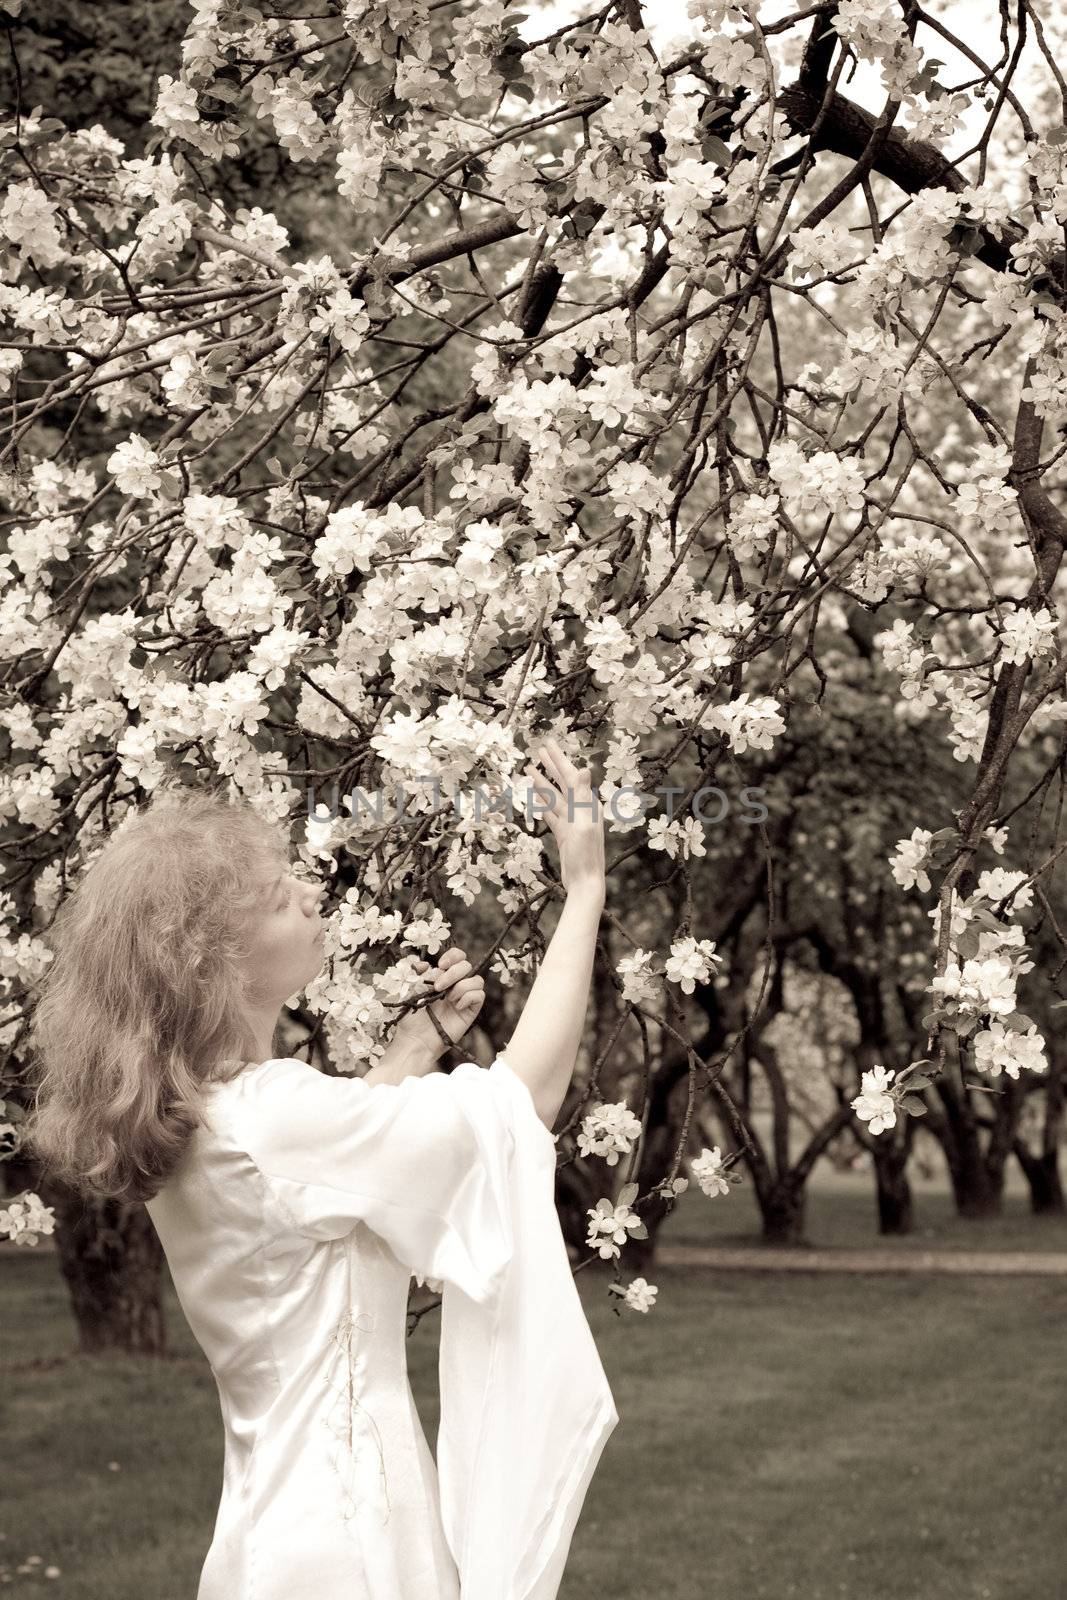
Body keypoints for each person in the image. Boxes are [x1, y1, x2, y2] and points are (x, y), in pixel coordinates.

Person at [26, 738, 617, 1600]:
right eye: (277, 897)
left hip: (276, 1520)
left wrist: (416, 1045)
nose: (311, 892)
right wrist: (586, 888)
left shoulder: (207, 1115)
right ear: (210, 962)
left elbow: (312, 1195)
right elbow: (518, 1108)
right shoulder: (273, 1117)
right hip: (353, 1530)